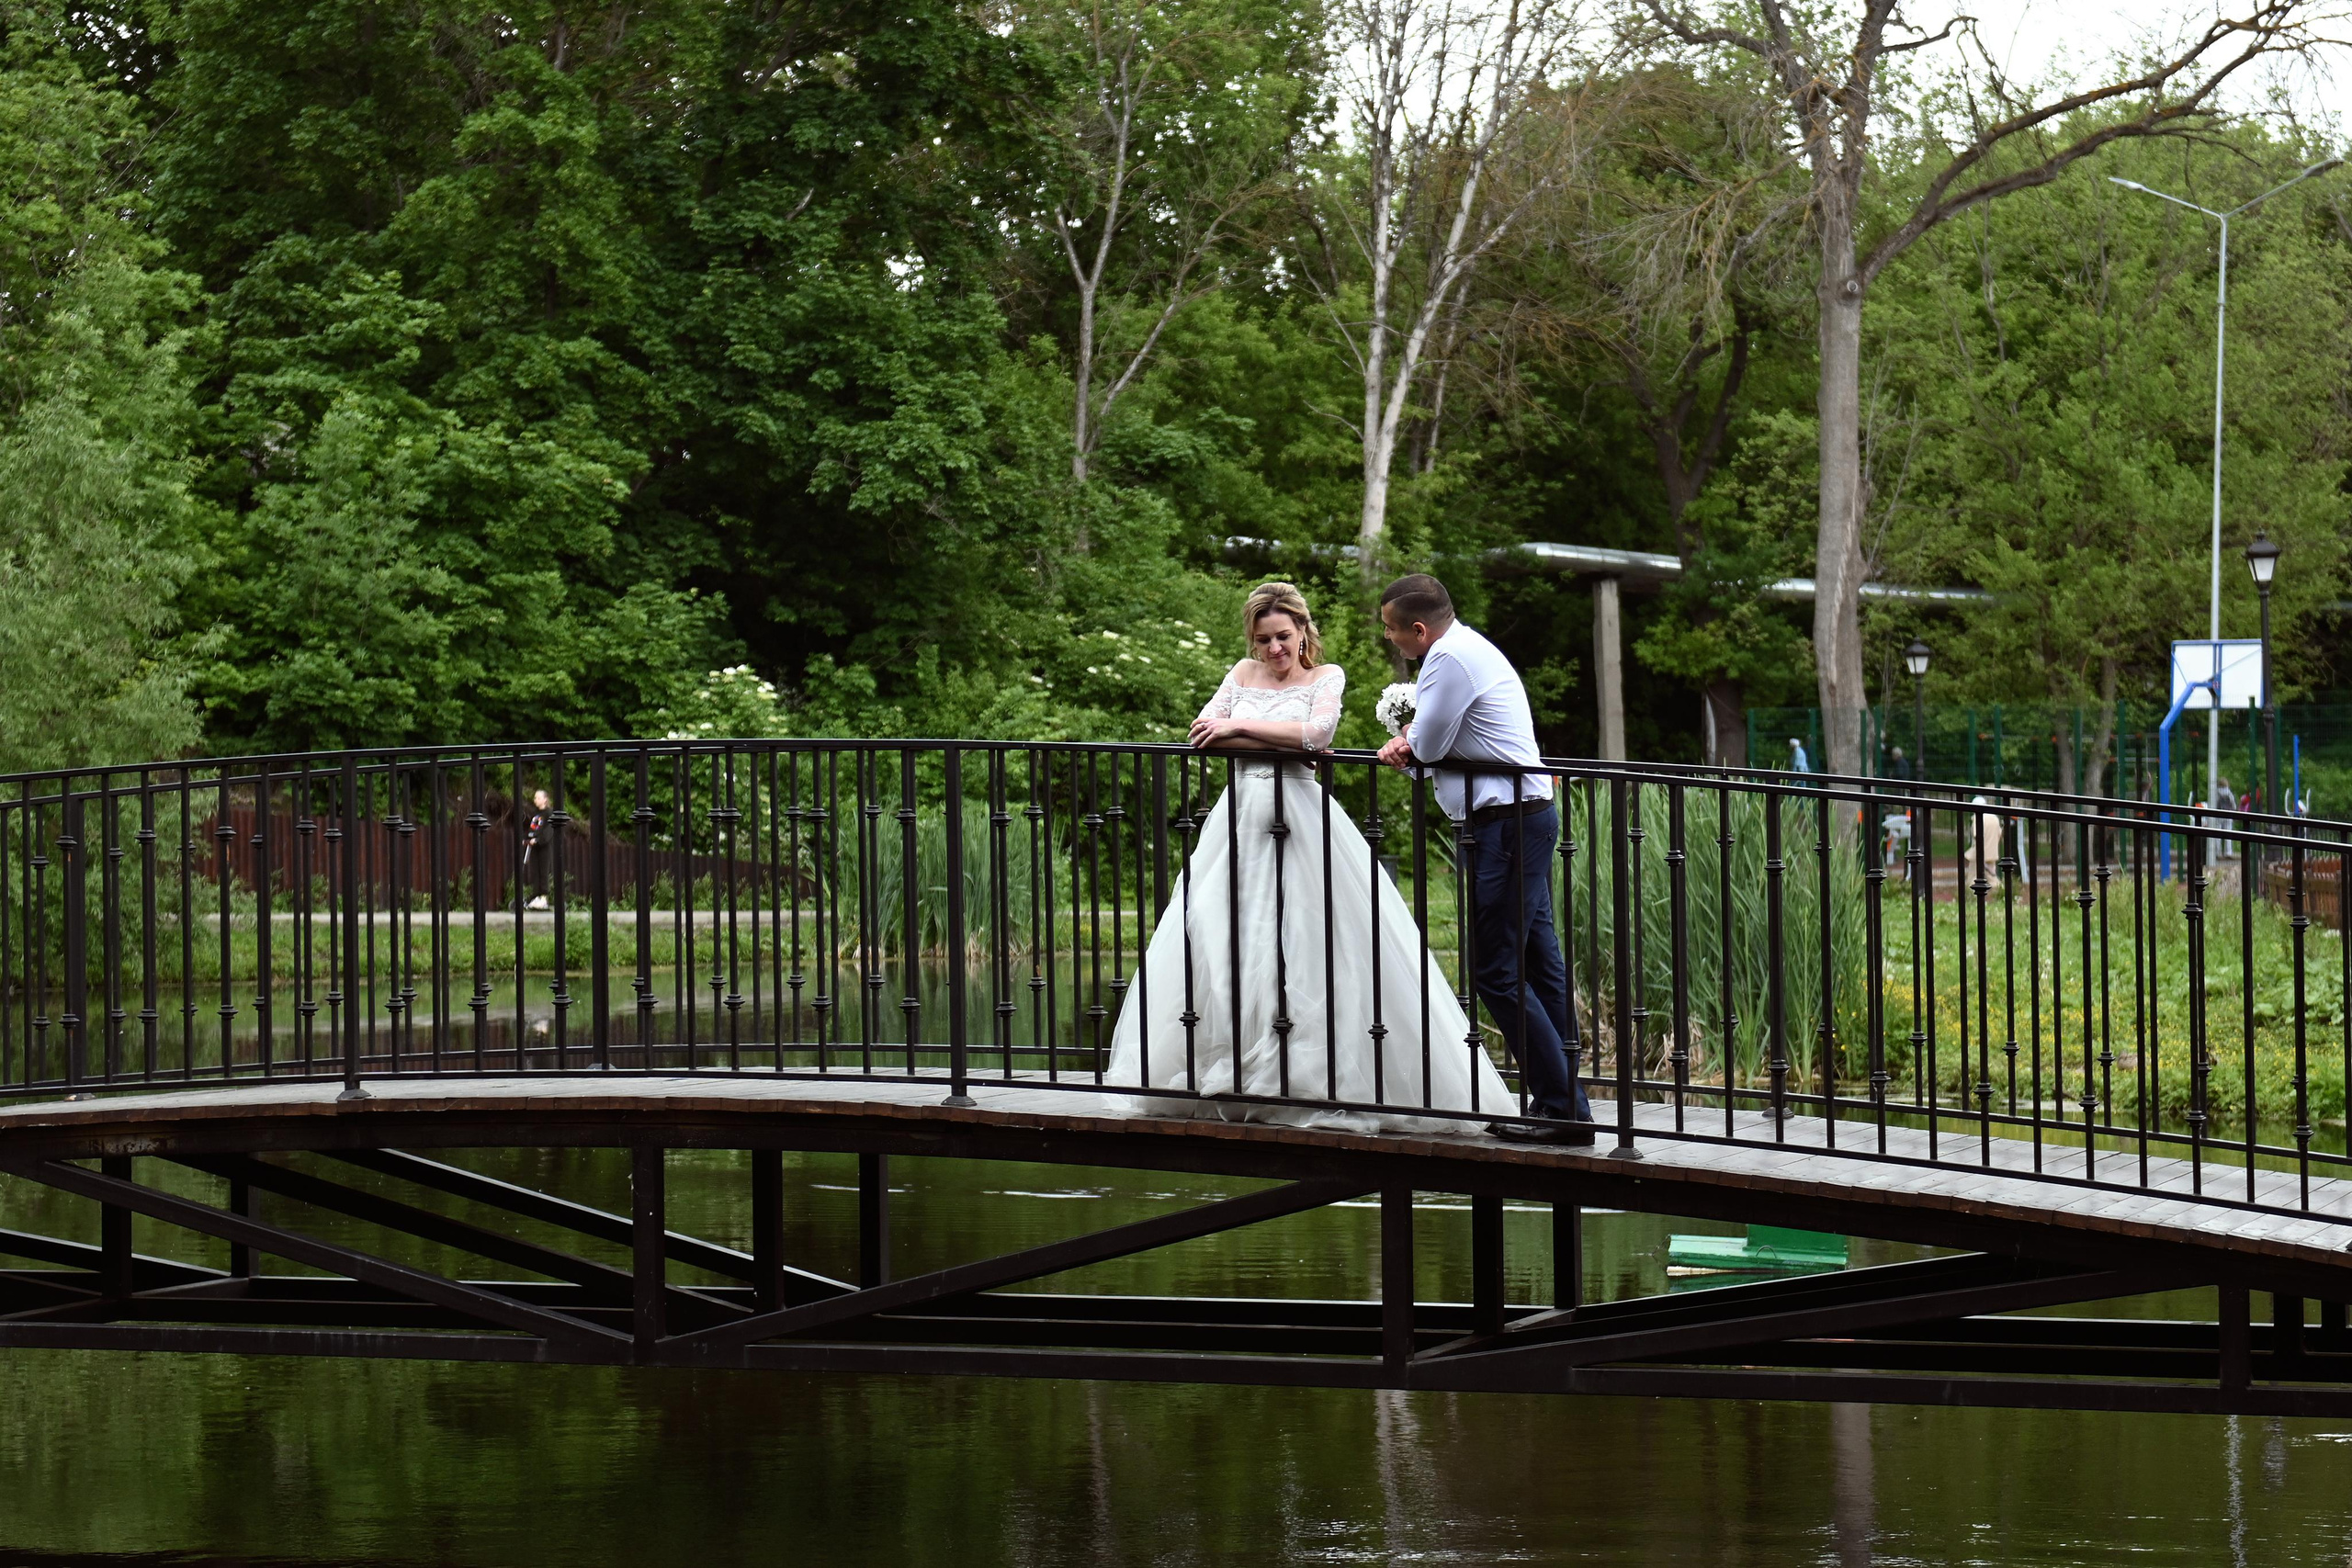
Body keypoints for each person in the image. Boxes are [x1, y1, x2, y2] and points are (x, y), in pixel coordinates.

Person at [1102, 581, 1513, 1133]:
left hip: (1298, 815)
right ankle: (1236, 1063)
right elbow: (1205, 735)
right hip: (1240, 818)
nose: (1273, 649)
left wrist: (1242, 725)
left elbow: (1317, 735)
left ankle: (1311, 1072)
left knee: (1306, 936)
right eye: (1263, 639)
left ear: (1302, 633)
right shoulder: (1240, 675)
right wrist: (1264, 736)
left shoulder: (1327, 676)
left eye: (1282, 637)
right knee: (1227, 933)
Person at [1375, 574, 1595, 1145]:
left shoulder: (1447, 658)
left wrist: (1407, 739)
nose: (1392, 641)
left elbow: (1427, 749)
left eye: (1392, 631)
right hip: (1522, 818)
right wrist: (1418, 740)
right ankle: (1566, 1107)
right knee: (1539, 967)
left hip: (1506, 828)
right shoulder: (1468, 647)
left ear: (1417, 629)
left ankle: (1561, 1110)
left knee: (1497, 971)